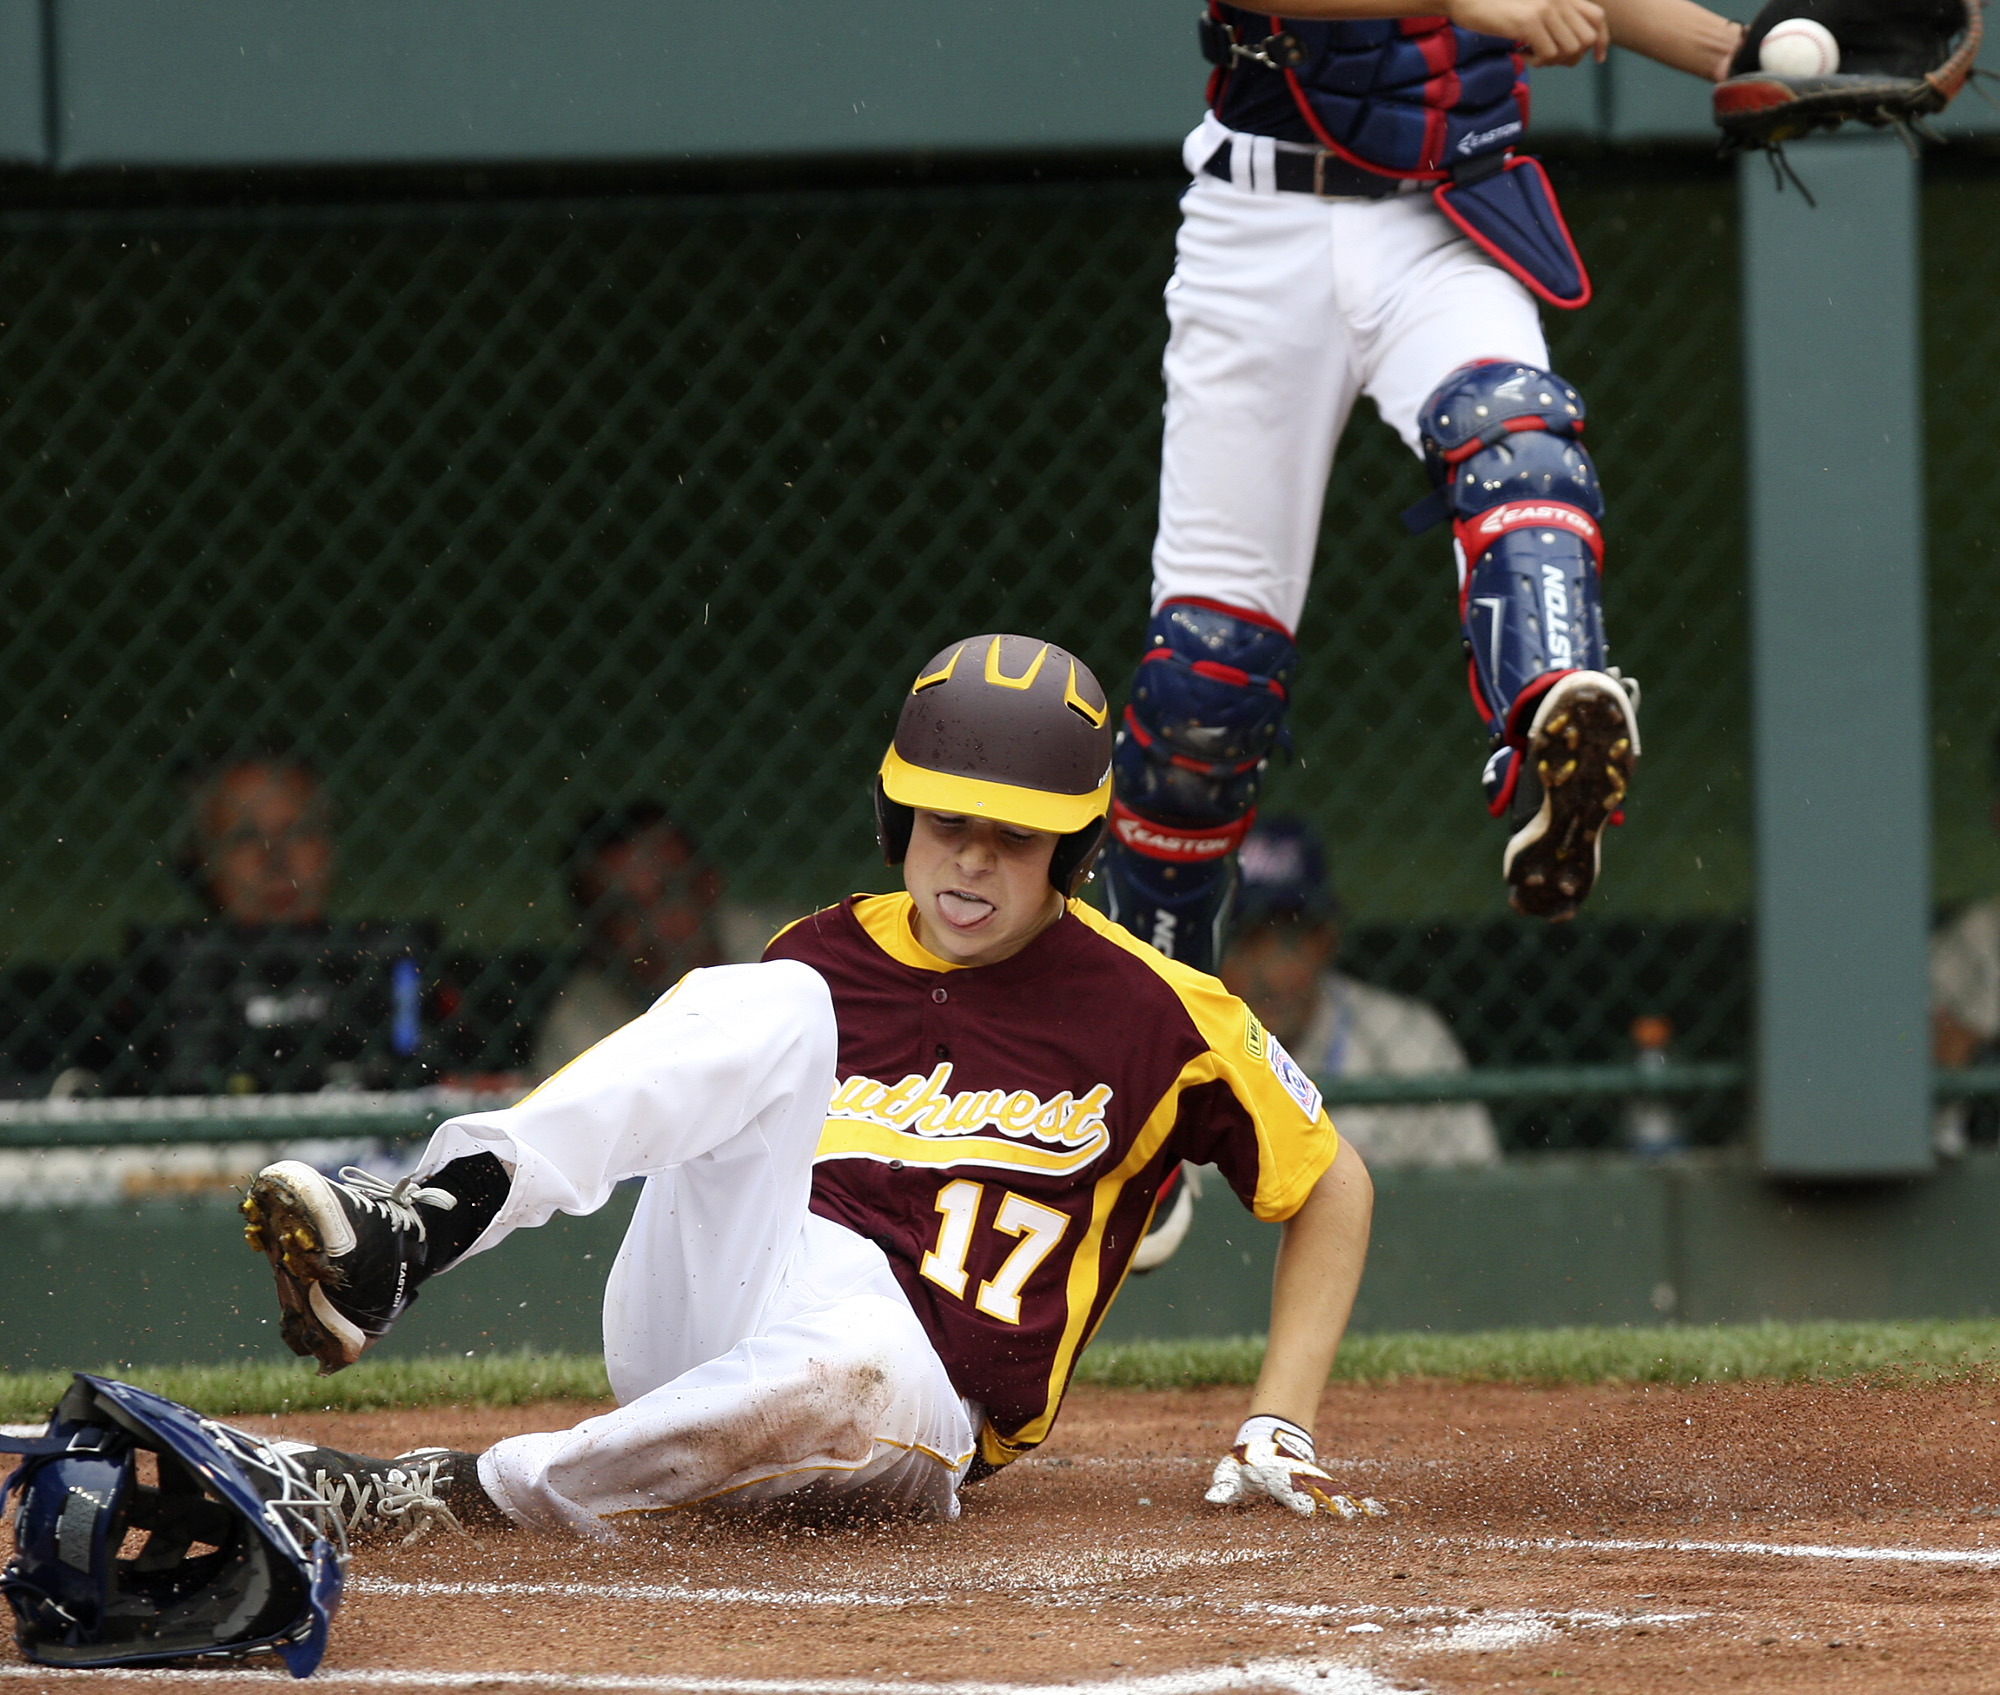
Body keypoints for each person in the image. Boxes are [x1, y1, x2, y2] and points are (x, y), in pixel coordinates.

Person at [234, 634, 1378, 1538]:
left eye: (1015, 836)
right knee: (776, 998)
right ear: (897, 817)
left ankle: (437, 1492)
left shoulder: (1154, 1009)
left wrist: (1276, 1419)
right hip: (724, 1296)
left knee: (859, 1362)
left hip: (921, 1394)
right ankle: (422, 1226)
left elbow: (1331, 1183)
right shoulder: (822, 953)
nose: (971, 858)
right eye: (945, 821)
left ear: (1073, 850)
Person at [1097, 0, 1747, 971]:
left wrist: (1753, 57)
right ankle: (1149, 1005)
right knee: (1204, 680)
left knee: (1517, 443)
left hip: (1443, 212)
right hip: (1256, 222)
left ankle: (1552, 720)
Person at [1222, 819, 1500, 1167]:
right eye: (1244, 943)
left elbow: (1475, 1187)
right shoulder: (1178, 1040)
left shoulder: (1409, 1040)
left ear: (1328, 940)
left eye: (1288, 942)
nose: (1268, 975)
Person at [531, 803, 727, 1078]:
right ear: (590, 930)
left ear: (709, 886)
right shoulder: (578, 1025)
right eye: (625, 912)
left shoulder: (784, 952)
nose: (657, 930)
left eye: (671, 894)